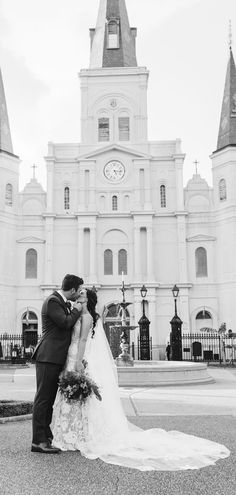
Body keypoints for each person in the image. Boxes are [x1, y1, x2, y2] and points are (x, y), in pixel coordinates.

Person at [52, 289, 230, 471]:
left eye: (82, 294)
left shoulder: (87, 317)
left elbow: (82, 341)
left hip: (78, 357)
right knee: (78, 397)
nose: (78, 295)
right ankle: (73, 432)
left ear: (88, 299)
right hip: (72, 356)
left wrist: (79, 362)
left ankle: (81, 434)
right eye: (79, 292)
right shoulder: (77, 313)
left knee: (82, 396)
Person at [31, 274, 84, 454]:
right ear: (72, 290)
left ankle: (46, 437)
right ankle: (38, 441)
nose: (79, 295)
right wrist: (77, 309)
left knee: (49, 400)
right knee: (43, 399)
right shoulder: (53, 301)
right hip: (48, 357)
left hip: (55, 358)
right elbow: (65, 323)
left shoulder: (60, 302)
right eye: (79, 290)